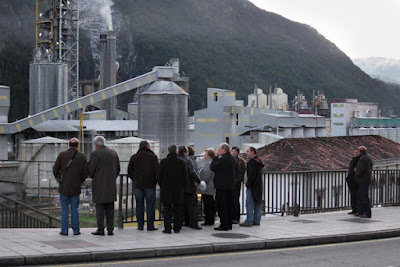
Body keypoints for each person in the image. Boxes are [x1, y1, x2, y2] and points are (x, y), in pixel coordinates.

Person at [53, 138, 88, 236]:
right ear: (77, 145)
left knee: (64, 209)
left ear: (69, 145)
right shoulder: (82, 157)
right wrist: (80, 181)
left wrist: (59, 179)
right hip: (76, 188)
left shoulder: (62, 155)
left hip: (63, 187)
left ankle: (64, 230)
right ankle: (76, 230)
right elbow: (85, 173)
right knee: (74, 209)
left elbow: (55, 169)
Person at [88, 136, 120, 236]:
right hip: (111, 184)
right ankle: (110, 229)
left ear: (96, 145)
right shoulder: (113, 153)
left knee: (100, 208)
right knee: (110, 208)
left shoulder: (95, 154)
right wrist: (112, 178)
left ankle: (100, 229)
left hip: (99, 185)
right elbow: (118, 169)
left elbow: (91, 171)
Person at [127, 140, 159, 231]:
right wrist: (155, 181)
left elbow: (129, 172)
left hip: (138, 185)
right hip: (150, 185)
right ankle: (150, 226)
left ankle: (140, 225)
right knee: (150, 206)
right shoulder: (153, 157)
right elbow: (157, 171)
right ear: (148, 147)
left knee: (139, 205)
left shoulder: (134, 157)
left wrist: (135, 179)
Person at [158, 145, 188, 234]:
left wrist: (162, 185)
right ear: (176, 151)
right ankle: (177, 227)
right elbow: (185, 177)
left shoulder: (163, 162)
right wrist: (183, 187)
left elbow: (159, 176)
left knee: (167, 209)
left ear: (168, 151)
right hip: (178, 190)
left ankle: (167, 228)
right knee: (178, 209)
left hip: (166, 189)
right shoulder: (181, 162)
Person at [210, 143, 236, 231]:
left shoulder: (224, 159)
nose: (218, 151)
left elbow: (213, 167)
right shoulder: (232, 158)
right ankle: (229, 224)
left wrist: (215, 158)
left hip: (222, 186)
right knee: (229, 206)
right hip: (230, 186)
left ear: (224, 150)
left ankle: (224, 224)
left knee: (221, 206)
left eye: (220, 149)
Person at [178, 146, 202, 229]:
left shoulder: (177, 160)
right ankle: (193, 223)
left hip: (180, 187)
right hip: (189, 186)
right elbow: (192, 173)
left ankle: (185, 222)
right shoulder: (188, 160)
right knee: (192, 206)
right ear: (185, 153)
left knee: (182, 206)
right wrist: (198, 181)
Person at [240, 147, 264, 227]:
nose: (246, 153)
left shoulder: (252, 163)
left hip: (252, 186)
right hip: (258, 186)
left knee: (249, 203)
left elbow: (251, 176)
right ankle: (257, 220)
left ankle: (249, 220)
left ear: (252, 152)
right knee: (257, 203)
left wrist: (248, 184)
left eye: (247, 151)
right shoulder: (258, 161)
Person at [355, 146, 373, 218]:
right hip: (366, 179)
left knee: (364, 196)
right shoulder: (368, 157)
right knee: (362, 196)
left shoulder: (363, 159)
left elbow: (362, 169)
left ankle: (367, 213)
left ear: (360, 152)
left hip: (363, 180)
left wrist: (357, 174)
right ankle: (361, 212)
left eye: (358, 151)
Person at [199, 149, 216, 226]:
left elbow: (206, 175)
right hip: (208, 187)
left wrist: (201, 183)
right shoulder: (208, 162)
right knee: (208, 203)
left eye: (205, 154)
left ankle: (209, 220)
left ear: (208, 155)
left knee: (208, 204)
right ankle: (209, 219)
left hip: (208, 187)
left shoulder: (209, 163)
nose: (204, 156)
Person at [231, 146, 246, 224]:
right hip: (230, 183)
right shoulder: (231, 160)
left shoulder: (240, 161)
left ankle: (236, 217)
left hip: (236, 184)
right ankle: (232, 216)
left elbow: (241, 174)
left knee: (235, 200)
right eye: (232, 151)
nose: (233, 152)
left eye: (234, 151)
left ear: (237, 152)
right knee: (231, 200)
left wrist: (235, 181)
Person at [346, 149, 361, 215]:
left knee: (356, 195)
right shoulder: (353, 160)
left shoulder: (360, 160)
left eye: (356, 152)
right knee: (353, 195)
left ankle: (357, 209)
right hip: (351, 180)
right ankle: (354, 209)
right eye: (354, 152)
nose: (355, 153)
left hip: (356, 180)